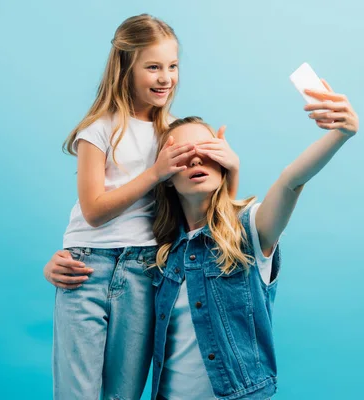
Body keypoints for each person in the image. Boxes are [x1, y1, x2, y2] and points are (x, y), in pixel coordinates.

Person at [47, 14, 240, 400]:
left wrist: (232, 169)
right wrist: (156, 171)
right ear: (125, 68)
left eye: (172, 66)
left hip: (145, 269)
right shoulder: (99, 130)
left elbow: (205, 207)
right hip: (87, 266)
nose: (165, 77)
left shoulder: (173, 134)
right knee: (77, 392)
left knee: (124, 393)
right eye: (153, 67)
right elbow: (93, 211)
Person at [145, 83, 359, 399]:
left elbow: (292, 181)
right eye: (180, 153)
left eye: (206, 149)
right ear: (166, 178)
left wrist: (341, 133)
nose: (195, 159)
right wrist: (55, 268)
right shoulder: (161, 252)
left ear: (224, 160)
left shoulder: (248, 230)